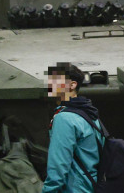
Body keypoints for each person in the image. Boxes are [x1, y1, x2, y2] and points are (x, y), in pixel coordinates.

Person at [42, 63, 104, 193]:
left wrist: (49, 190)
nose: (50, 85)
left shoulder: (64, 118)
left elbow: (58, 164)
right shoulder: (89, 113)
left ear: (72, 85)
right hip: (91, 185)